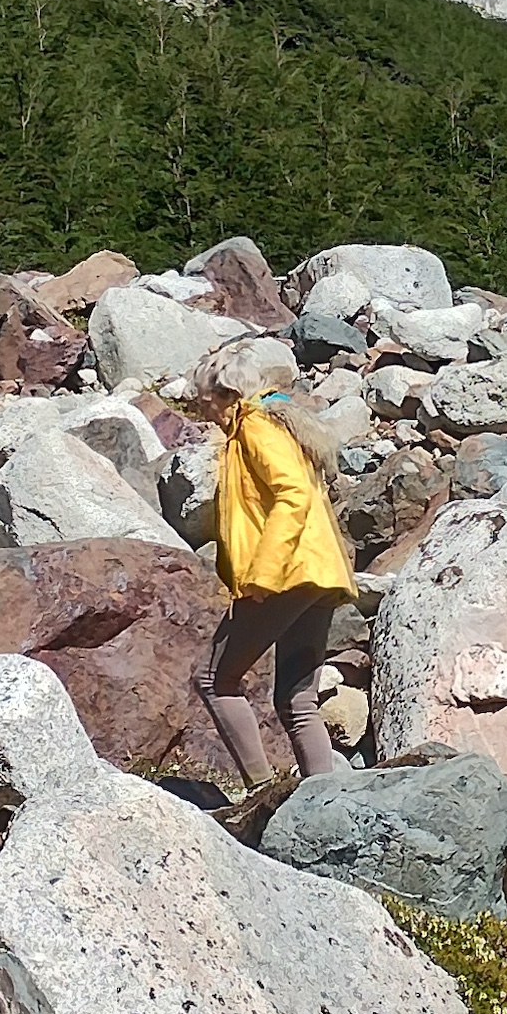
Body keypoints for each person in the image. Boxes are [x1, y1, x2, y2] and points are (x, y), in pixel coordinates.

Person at [187, 339, 356, 816]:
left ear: (224, 392)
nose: (199, 404)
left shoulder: (255, 426)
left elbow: (293, 496)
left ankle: (262, 798)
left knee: (214, 679)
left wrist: (262, 574)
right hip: (320, 574)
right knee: (296, 699)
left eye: (202, 395)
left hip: (287, 574)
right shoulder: (277, 423)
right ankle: (328, 812)